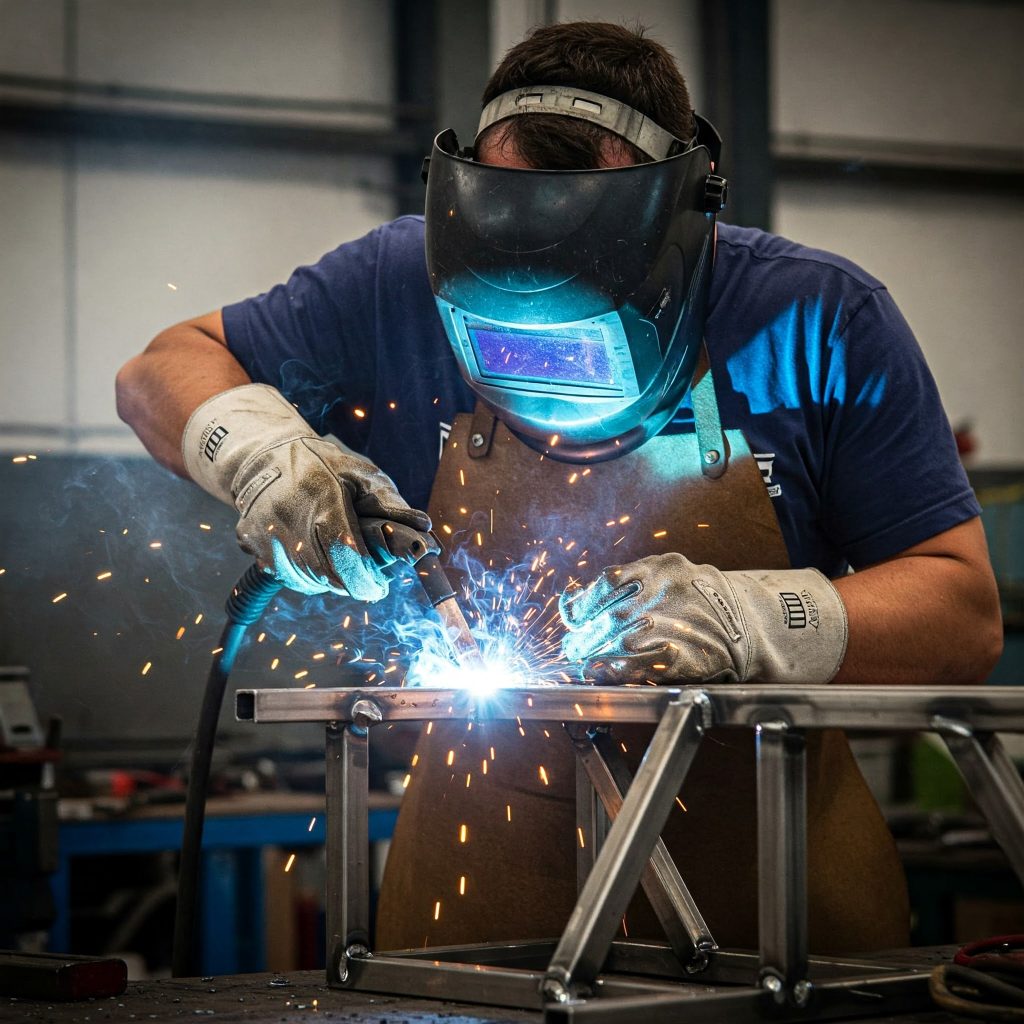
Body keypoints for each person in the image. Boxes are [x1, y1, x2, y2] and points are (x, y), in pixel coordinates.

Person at [117, 22, 1002, 953]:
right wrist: (264, 456)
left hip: (776, 927)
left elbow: (966, 617)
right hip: (470, 932)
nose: (538, 383)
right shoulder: (394, 278)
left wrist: (755, 622)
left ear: (676, 237)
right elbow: (159, 370)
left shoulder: (817, 320)